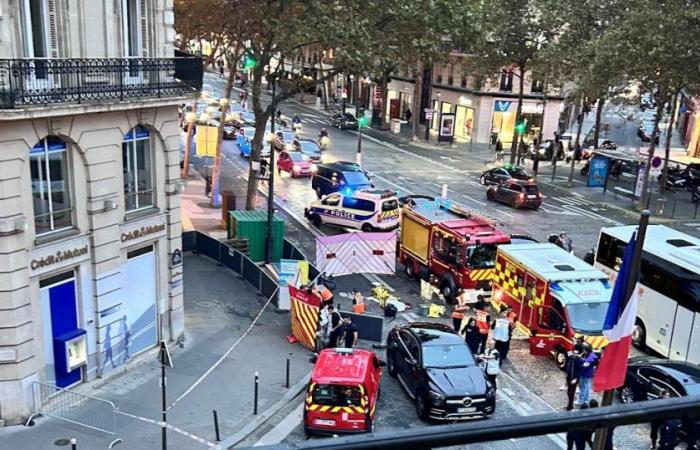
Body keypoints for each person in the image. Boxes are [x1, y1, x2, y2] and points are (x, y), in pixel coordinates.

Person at [564, 342, 583, 410]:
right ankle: (569, 405)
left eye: (576, 353)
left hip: (574, 378)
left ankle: (570, 406)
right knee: (569, 392)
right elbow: (568, 366)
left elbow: (580, 371)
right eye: (574, 352)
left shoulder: (580, 360)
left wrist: (576, 378)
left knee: (571, 393)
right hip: (569, 377)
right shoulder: (571, 357)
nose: (574, 354)